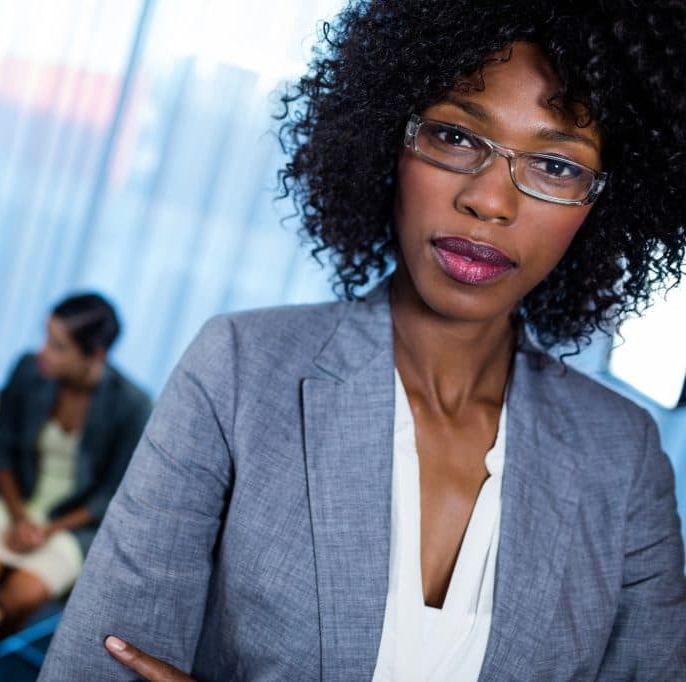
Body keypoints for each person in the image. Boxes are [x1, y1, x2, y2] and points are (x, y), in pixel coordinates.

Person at [40, 1, 686, 679]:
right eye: (455, 136)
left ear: (605, 204)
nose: (490, 200)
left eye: (556, 166)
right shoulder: (239, 370)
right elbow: (98, 666)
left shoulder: (624, 457)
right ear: (389, 137)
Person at [0, 293, 151, 635]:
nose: (43, 352)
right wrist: (20, 519)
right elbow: (2, 453)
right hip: (15, 500)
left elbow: (111, 494)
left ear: (96, 356)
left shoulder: (131, 406)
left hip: (74, 523)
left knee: (21, 595)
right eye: (46, 338)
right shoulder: (28, 371)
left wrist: (46, 531)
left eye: (58, 346)